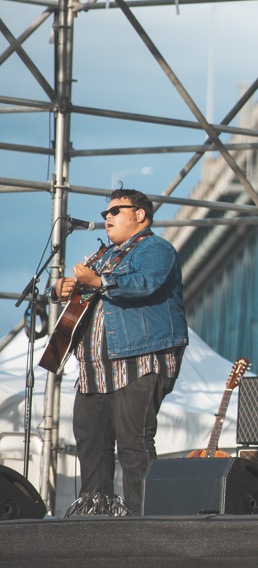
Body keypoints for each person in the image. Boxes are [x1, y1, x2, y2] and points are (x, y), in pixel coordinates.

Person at [51, 188, 188, 515]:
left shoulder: (156, 248)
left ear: (140, 215)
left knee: (134, 447)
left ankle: (142, 529)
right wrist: (62, 290)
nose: (107, 218)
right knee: (91, 448)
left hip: (139, 362)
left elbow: (144, 283)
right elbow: (82, 301)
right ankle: (95, 523)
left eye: (115, 211)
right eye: (105, 213)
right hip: (95, 371)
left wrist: (97, 281)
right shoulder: (102, 257)